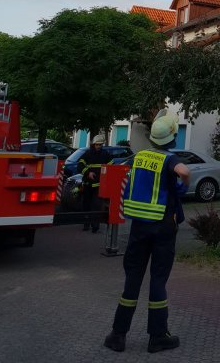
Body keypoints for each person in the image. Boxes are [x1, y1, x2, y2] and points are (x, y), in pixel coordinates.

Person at [104, 110, 190, 354]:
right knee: (158, 280)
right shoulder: (169, 158)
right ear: (172, 137)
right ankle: (158, 336)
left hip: (139, 227)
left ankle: (118, 335)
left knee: (132, 279)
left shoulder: (140, 156)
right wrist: (184, 185)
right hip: (163, 226)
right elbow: (184, 172)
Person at [78, 134, 111, 232]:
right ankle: (86, 224)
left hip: (99, 185)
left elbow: (111, 167)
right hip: (88, 184)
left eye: (100, 145)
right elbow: (80, 166)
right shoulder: (88, 154)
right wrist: (88, 173)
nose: (99, 146)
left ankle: (95, 225)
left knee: (96, 205)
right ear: (94, 145)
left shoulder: (105, 154)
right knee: (86, 204)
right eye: (97, 145)